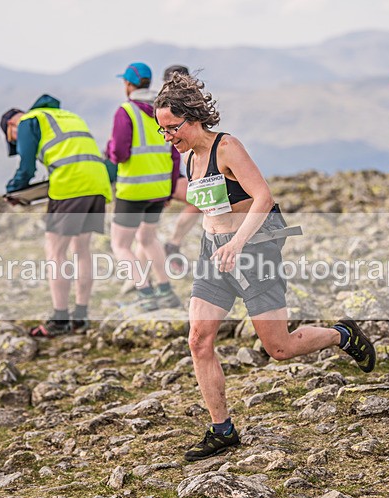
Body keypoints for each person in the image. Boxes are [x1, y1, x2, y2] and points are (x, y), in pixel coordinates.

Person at [154, 74, 377, 462]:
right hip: (215, 255)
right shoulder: (187, 156)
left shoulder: (228, 148)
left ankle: (342, 335)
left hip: (254, 250)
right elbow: (207, 206)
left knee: (279, 347)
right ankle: (221, 430)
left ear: (192, 119)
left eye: (171, 128)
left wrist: (238, 243)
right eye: (162, 131)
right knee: (198, 339)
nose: (168, 137)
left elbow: (263, 197)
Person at [1, 94, 112, 336]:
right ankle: (80, 317)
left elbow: (27, 166)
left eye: (13, 139)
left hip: (70, 186)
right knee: (81, 250)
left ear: (11, 125)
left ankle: (60, 319)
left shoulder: (28, 121)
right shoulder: (67, 116)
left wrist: (13, 190)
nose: (16, 141)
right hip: (98, 184)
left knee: (55, 251)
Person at [106, 62, 181, 310]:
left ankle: (145, 292)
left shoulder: (126, 111)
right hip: (159, 189)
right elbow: (175, 154)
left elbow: (119, 152)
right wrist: (170, 189)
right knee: (148, 239)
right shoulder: (164, 110)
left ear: (128, 85)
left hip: (133, 190)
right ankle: (165, 289)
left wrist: (110, 152)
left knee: (120, 245)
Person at [161, 64, 203, 273]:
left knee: (199, 199)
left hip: (172, 172)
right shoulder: (160, 109)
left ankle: (173, 245)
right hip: (157, 174)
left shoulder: (187, 106)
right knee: (144, 231)